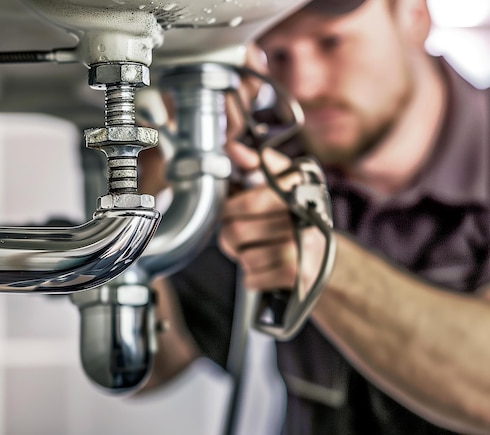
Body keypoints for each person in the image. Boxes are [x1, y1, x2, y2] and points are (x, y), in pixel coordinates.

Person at [143, 0, 490, 433]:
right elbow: (154, 365)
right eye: (279, 55)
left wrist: (318, 260)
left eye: (332, 42)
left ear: (415, 16)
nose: (302, 86)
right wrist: (143, 191)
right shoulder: (262, 159)